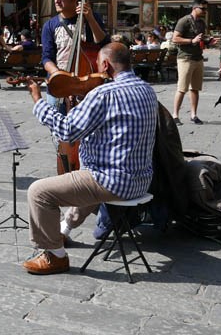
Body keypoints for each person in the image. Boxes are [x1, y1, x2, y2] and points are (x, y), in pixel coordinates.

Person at [22, 42, 158, 275]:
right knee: (87, 174)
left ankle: (54, 255)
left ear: (105, 65)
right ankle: (64, 229)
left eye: (97, 66)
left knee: (39, 192)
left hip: (112, 182)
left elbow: (67, 131)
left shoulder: (105, 93)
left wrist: (38, 101)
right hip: (142, 180)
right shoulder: (147, 90)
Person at [40, 0, 109, 81]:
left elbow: (104, 43)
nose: (56, 1)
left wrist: (90, 19)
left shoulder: (91, 17)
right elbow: (47, 57)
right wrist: (58, 75)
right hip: (60, 82)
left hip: (86, 79)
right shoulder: (49, 25)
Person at [171, 0, 217, 125]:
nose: (205, 11)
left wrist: (208, 42)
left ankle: (194, 115)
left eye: (206, 9)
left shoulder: (201, 23)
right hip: (185, 58)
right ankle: (175, 115)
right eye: (203, 8)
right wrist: (191, 41)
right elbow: (175, 39)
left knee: (195, 88)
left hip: (198, 58)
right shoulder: (184, 21)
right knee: (182, 88)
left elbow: (200, 40)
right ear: (195, 8)